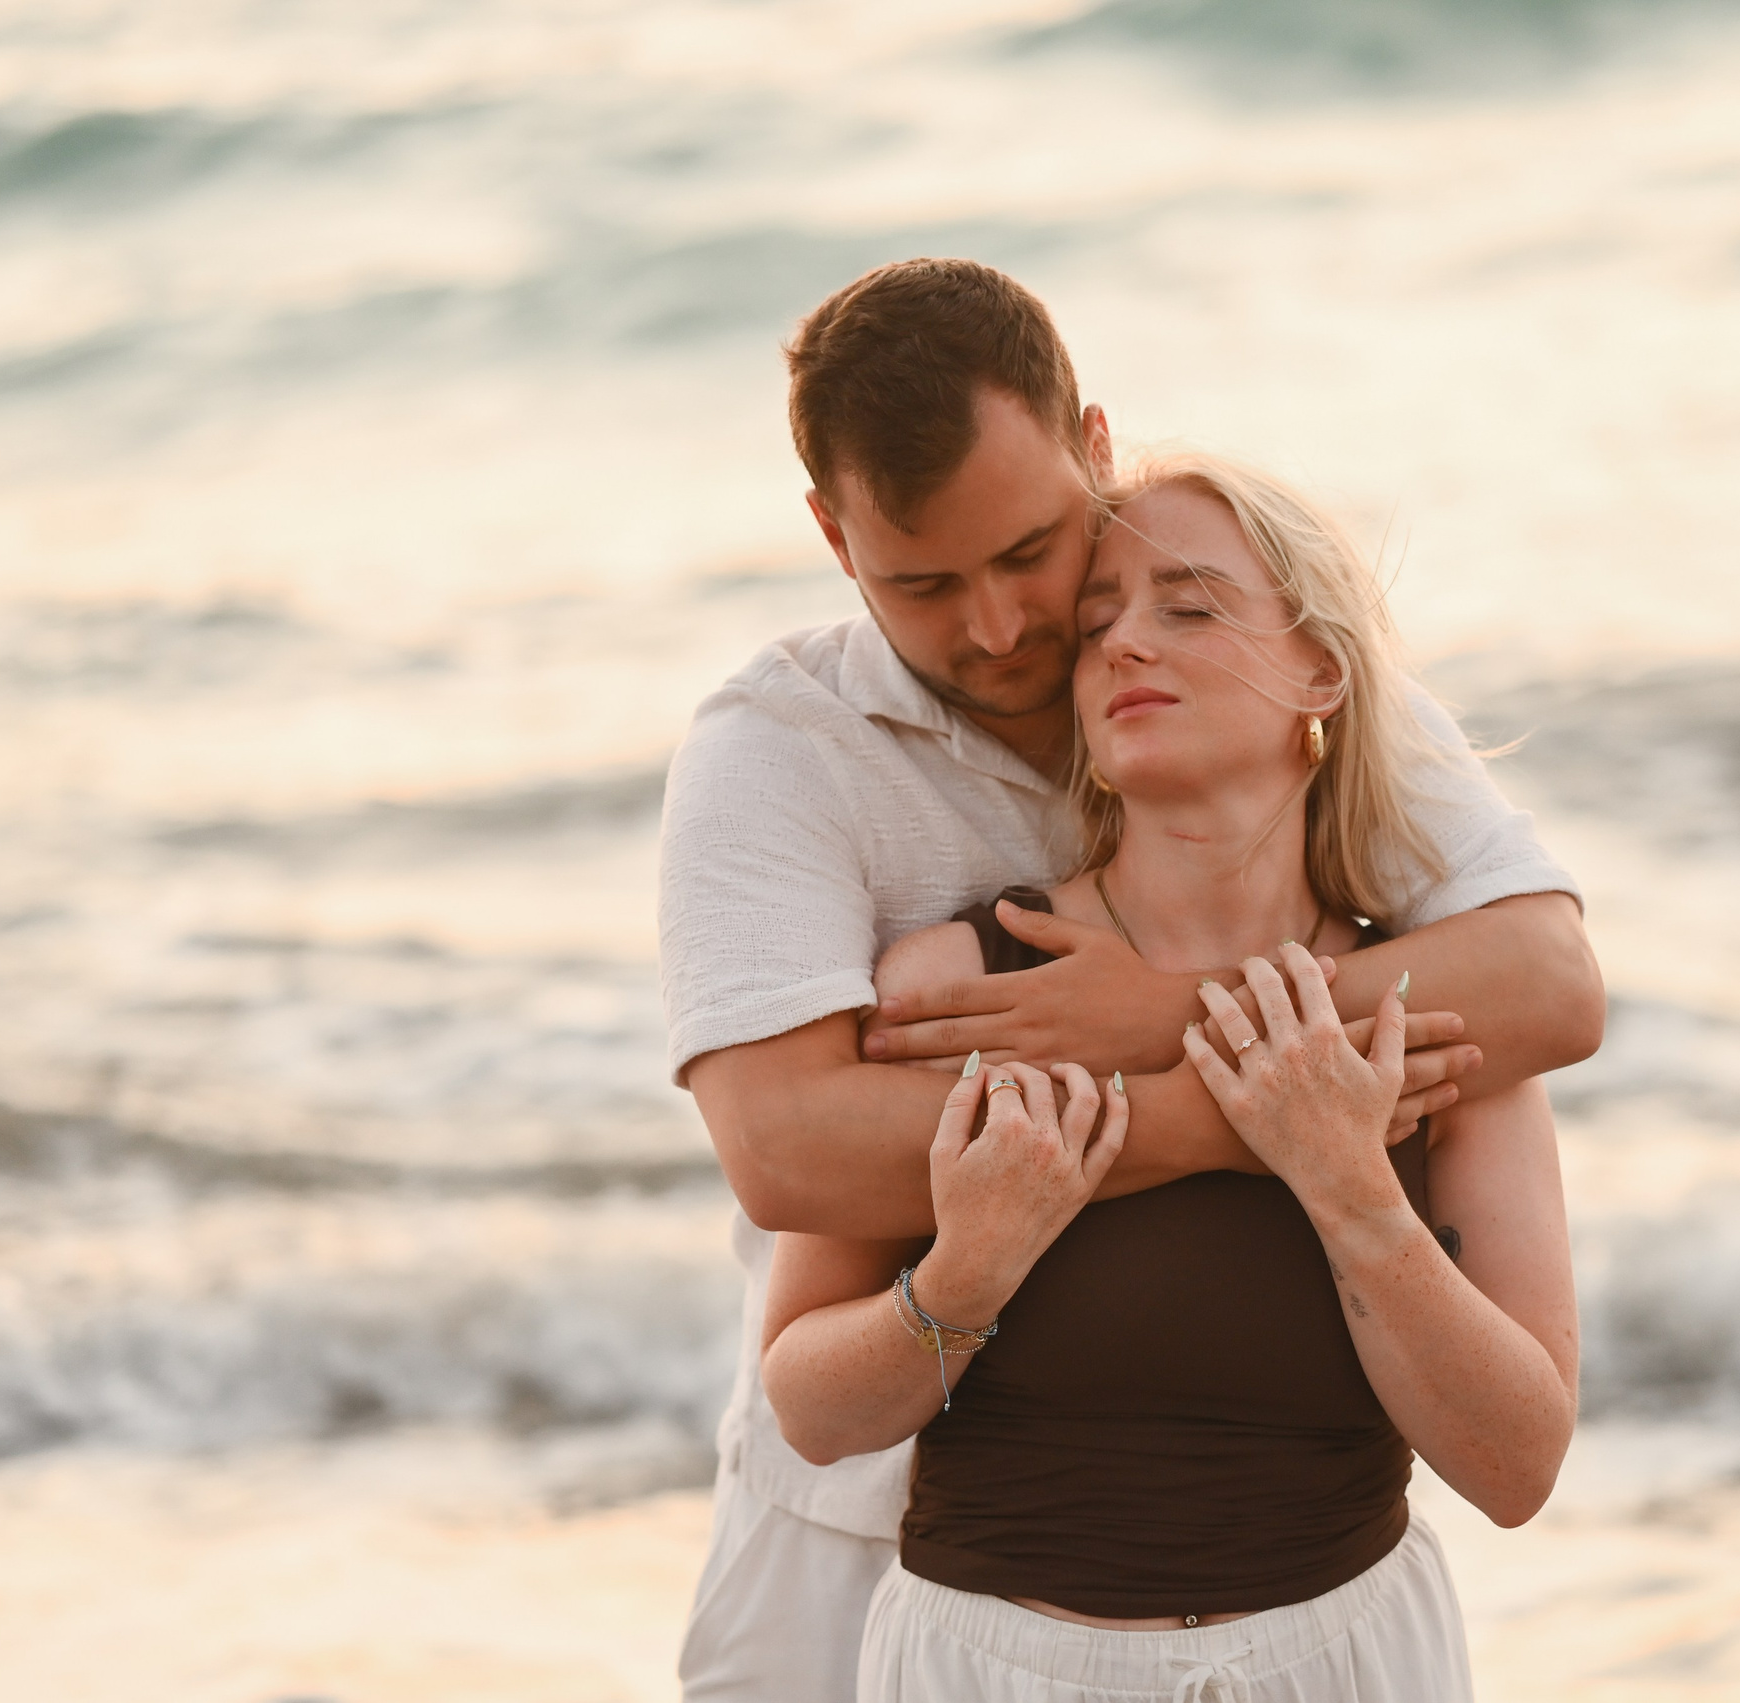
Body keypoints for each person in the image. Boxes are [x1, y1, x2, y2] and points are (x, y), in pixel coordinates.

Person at [658, 259, 1602, 1702]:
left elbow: (1548, 979)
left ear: (1093, 450)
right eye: (923, 583)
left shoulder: (1277, 672)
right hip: (864, 1521)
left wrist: (1169, 1022)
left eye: (1033, 556)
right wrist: (1217, 1116)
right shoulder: (776, 756)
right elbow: (786, 1151)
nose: (1000, 629)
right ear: (833, 542)